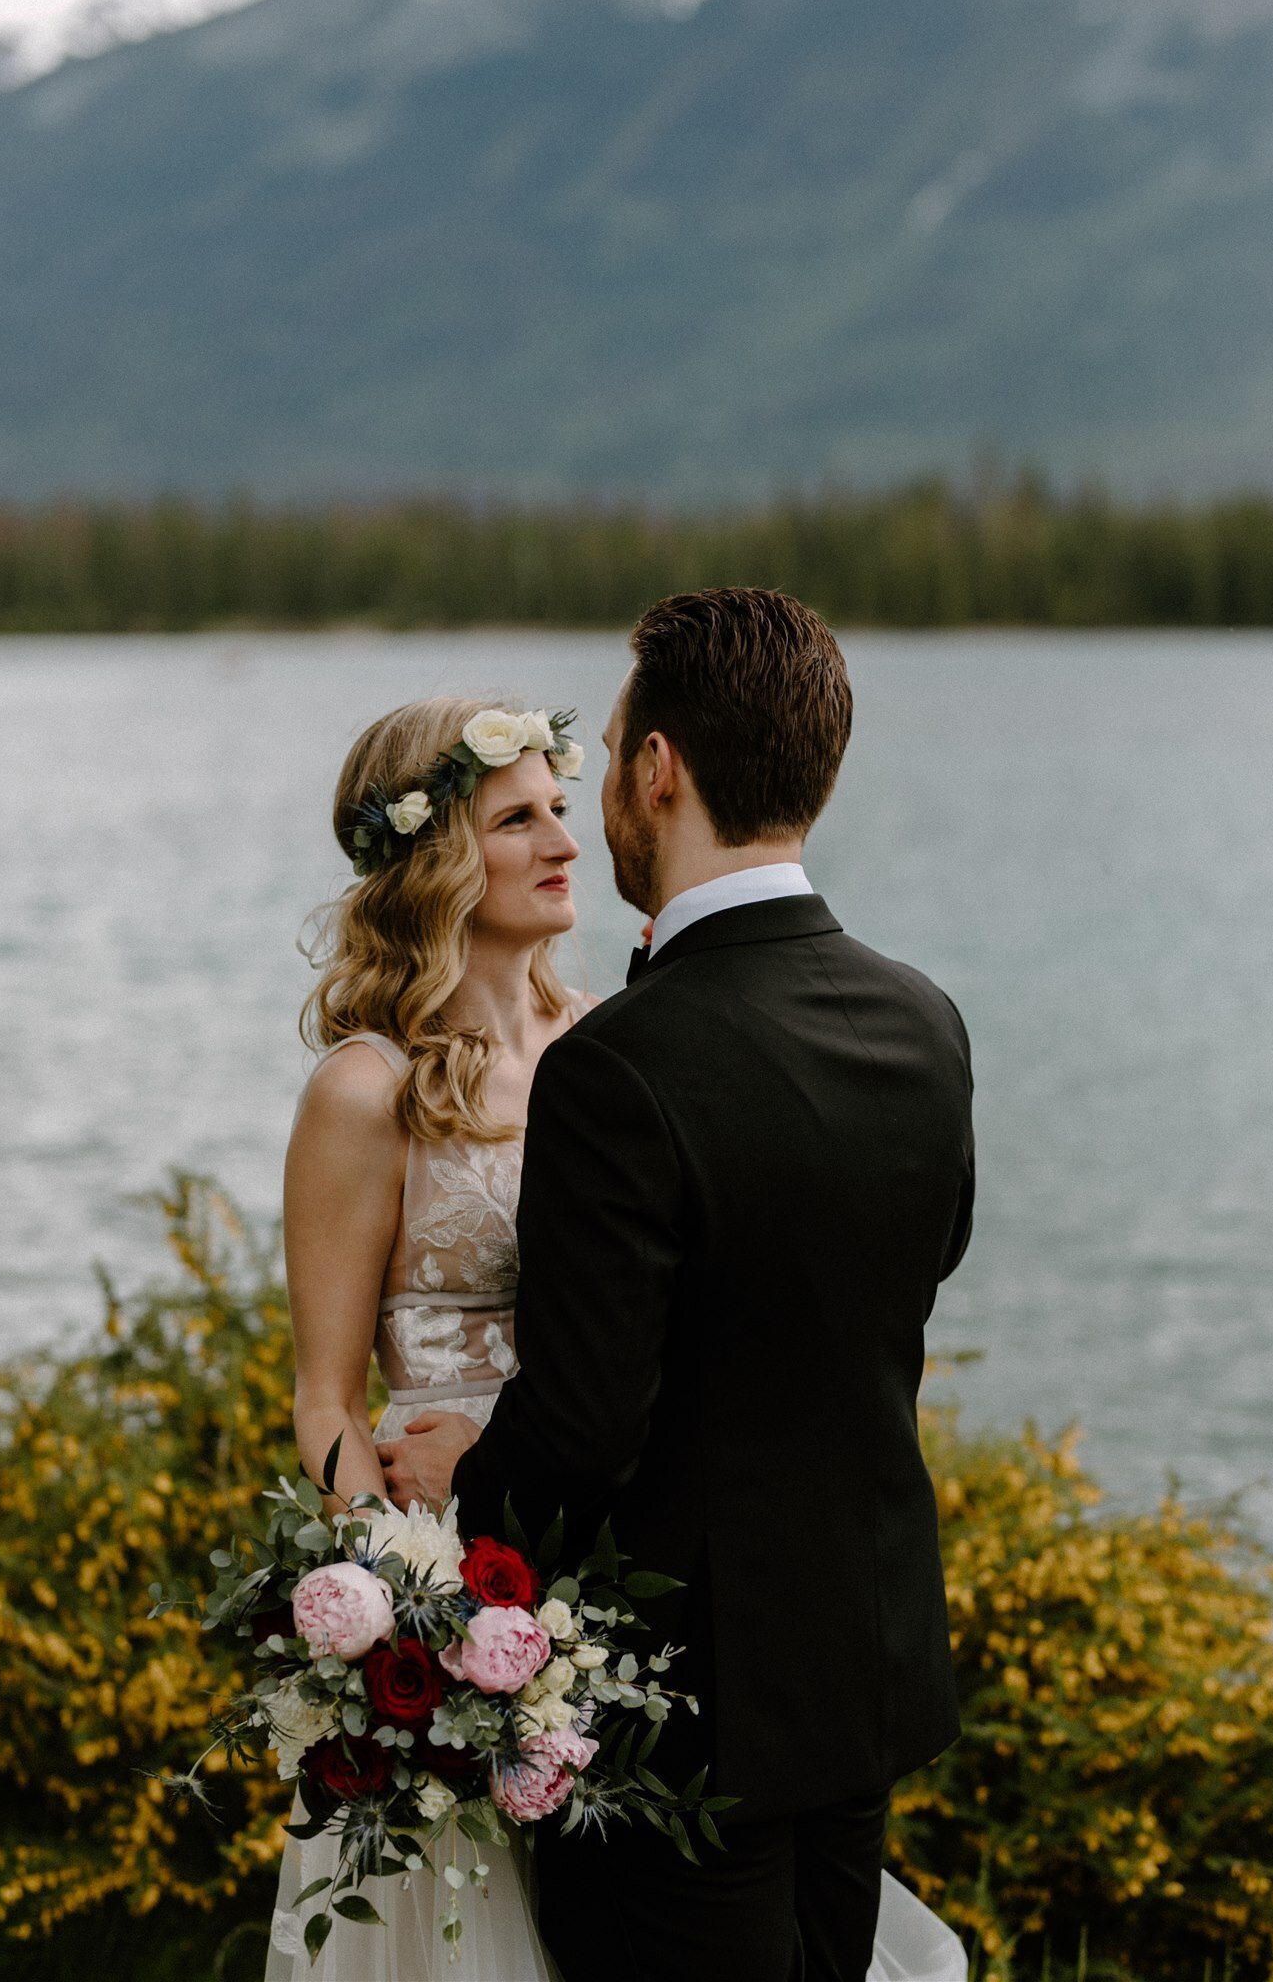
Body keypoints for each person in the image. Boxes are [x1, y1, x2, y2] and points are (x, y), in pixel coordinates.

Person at [381, 590, 976, 1982]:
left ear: (657, 769)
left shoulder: (620, 1065)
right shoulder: (921, 1022)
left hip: (679, 1716)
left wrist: (463, 1481)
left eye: (605, 775)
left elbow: (586, 1426)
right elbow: (885, 1303)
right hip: (865, 1675)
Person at [265, 694, 593, 1982]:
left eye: (560, 807)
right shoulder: (367, 1088)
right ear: (442, 859)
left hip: (599, 1519)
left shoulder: (605, 1049)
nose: (564, 840)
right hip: (444, 1558)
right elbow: (327, 1402)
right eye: (520, 818)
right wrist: (399, 1613)